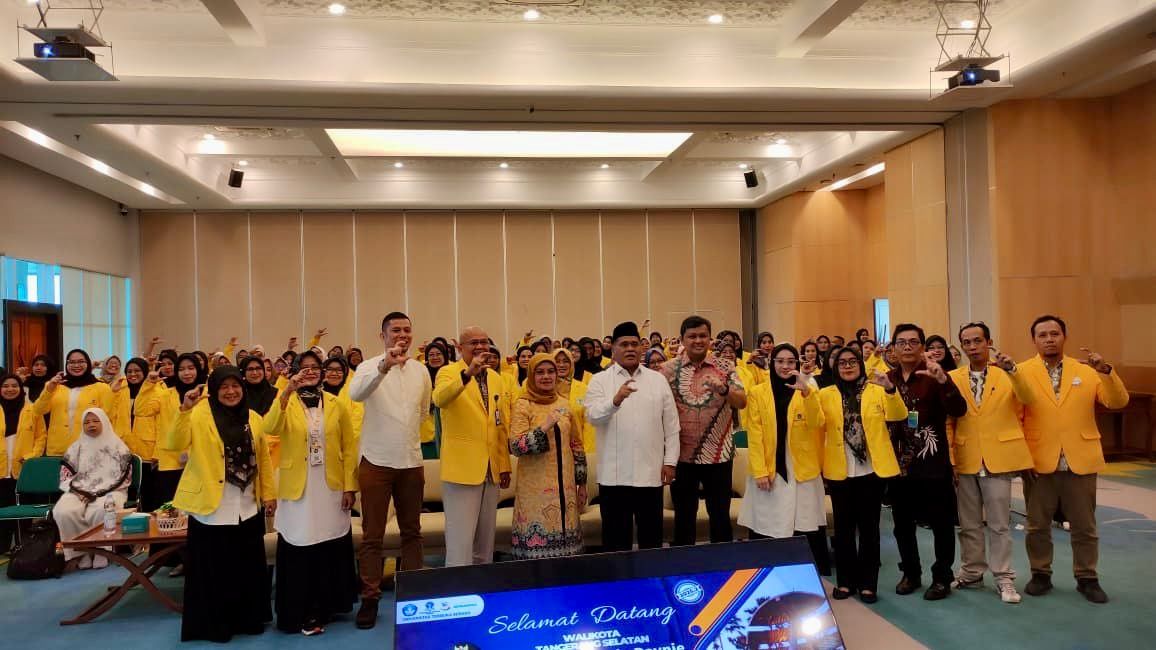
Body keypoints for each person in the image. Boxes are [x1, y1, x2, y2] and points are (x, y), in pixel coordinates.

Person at [1019, 315, 1127, 604]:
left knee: (1084, 526)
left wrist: (1106, 371)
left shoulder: (1088, 372)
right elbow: (1016, 417)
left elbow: (1117, 401)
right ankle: (1040, 573)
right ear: (1034, 340)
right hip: (1038, 461)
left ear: (1064, 337)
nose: (1049, 339)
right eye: (1042, 335)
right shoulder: (1021, 372)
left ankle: (1087, 577)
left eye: (1054, 333)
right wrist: (1021, 458)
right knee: (1037, 526)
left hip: (1080, 458)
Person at [165, 365, 276, 643]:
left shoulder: (253, 417)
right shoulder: (199, 413)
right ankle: (216, 625)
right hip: (211, 506)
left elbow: (263, 457)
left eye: (235, 386)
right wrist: (184, 409)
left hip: (247, 505)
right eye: (224, 387)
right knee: (214, 571)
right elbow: (174, 442)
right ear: (214, 390)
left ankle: (247, 620)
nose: (230, 392)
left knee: (246, 568)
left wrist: (269, 494)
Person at [347, 312, 432, 629]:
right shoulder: (368, 366)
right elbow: (356, 394)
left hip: (410, 461)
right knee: (373, 535)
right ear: (382, 335)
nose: (402, 335)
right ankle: (369, 599)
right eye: (395, 330)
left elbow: (423, 412)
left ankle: (414, 596)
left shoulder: (421, 370)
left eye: (407, 330)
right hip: (376, 461)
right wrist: (385, 365)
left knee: (413, 532)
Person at [265, 351, 358, 635]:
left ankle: (326, 606)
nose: (310, 372)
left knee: (328, 543)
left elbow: (349, 445)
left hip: (330, 485)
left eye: (315, 367)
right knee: (300, 542)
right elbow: (270, 427)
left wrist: (350, 485)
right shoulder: (286, 400)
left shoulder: (336, 403)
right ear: (294, 371)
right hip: (298, 486)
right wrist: (287, 391)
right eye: (303, 368)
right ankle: (299, 609)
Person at [949, 322, 1035, 604]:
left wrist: (1013, 370)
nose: (972, 347)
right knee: (969, 523)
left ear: (988, 342)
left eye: (977, 341)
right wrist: (951, 458)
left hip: (999, 456)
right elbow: (949, 420)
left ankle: (1003, 577)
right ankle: (972, 572)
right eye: (966, 342)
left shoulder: (1008, 373)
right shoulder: (953, 377)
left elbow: (1028, 398)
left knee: (999, 523)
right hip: (966, 457)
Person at [887, 323, 968, 601]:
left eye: (913, 342)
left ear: (922, 347)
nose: (907, 347)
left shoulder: (935, 375)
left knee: (942, 524)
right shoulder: (886, 379)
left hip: (933, 465)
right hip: (898, 467)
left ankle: (942, 576)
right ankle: (910, 573)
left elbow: (959, 409)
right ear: (894, 348)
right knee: (902, 526)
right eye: (901, 342)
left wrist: (944, 380)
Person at [820, 348, 907, 603]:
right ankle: (845, 582)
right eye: (842, 363)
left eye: (852, 362)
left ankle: (868, 583)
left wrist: (890, 389)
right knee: (843, 530)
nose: (847, 366)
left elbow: (898, 414)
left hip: (871, 470)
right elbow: (816, 423)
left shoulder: (876, 390)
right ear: (835, 368)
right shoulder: (825, 394)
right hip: (839, 469)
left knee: (869, 530)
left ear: (861, 364)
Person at [585, 321, 680, 552]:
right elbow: (592, 416)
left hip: (650, 474)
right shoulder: (600, 380)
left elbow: (671, 425)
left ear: (641, 348)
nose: (630, 348)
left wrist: (670, 462)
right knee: (616, 543)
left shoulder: (657, 380)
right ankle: (619, 576)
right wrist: (614, 401)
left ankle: (651, 575)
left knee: (651, 541)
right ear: (613, 349)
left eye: (634, 344)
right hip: (614, 477)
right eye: (624, 344)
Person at [738, 344, 829, 575]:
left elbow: (817, 422)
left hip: (801, 467)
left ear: (797, 364)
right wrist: (759, 471)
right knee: (768, 523)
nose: (785, 366)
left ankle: (806, 576)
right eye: (780, 361)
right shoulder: (758, 392)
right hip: (769, 466)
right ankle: (767, 575)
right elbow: (754, 434)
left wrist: (807, 394)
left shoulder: (808, 388)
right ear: (772, 363)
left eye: (790, 361)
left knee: (804, 523)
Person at [661, 315, 747, 546]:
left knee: (720, 516)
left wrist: (725, 390)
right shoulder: (667, 370)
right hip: (682, 456)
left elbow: (741, 402)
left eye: (703, 336)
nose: (698, 340)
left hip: (719, 455)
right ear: (682, 339)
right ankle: (684, 564)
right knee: (684, 518)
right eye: (692, 336)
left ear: (710, 339)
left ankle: (723, 563)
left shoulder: (725, 367)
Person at [433, 326, 512, 567]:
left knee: (485, 542)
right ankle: (458, 587)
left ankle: (482, 584)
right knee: (460, 540)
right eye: (473, 342)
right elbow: (440, 398)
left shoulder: (496, 378)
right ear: (460, 347)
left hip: (491, 469)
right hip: (462, 470)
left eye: (483, 342)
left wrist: (504, 465)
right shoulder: (448, 372)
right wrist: (467, 374)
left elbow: (500, 424)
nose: (480, 347)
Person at [508, 353, 587, 559]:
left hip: (566, 490)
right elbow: (516, 447)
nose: (546, 376)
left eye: (551, 371)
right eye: (540, 372)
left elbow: (577, 445)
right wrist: (544, 427)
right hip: (535, 493)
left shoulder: (564, 403)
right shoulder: (523, 405)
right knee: (537, 560)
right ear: (531, 376)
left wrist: (582, 484)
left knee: (568, 555)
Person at [52, 407, 132, 570]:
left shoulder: (119, 447)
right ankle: (80, 552)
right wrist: (80, 492)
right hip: (79, 491)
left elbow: (125, 477)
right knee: (63, 511)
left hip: (112, 491)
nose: (91, 425)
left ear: (104, 422)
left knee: (101, 509)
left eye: (96, 421)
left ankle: (102, 551)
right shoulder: (76, 447)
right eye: (87, 422)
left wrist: (97, 493)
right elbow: (65, 475)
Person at [31, 349, 115, 456]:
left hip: (90, 449)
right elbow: (38, 410)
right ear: (67, 364)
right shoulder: (55, 385)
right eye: (72, 362)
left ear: (88, 363)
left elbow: (108, 420)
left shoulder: (102, 388)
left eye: (81, 361)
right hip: (58, 449)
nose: (76, 365)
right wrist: (49, 389)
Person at [1, 374, 40, 553]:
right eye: (5, 386)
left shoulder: (32, 409)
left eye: (14, 385)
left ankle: (24, 549)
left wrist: (32, 456)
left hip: (23, 467)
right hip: (1, 469)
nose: (10, 389)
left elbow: (41, 436)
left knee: (23, 511)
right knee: (2, 510)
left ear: (21, 388)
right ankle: (2, 548)